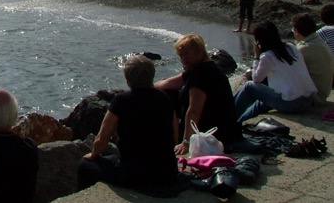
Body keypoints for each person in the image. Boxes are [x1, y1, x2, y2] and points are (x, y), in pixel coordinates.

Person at [77, 56, 178, 191]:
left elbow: (103, 137)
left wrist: (94, 154)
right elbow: (174, 133)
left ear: (128, 80)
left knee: (84, 165)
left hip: (134, 173)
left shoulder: (121, 100)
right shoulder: (165, 98)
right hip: (166, 170)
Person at [155, 34, 241, 153]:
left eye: (187, 54)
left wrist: (186, 142)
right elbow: (167, 84)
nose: (183, 58)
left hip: (213, 131)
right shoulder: (200, 68)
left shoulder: (202, 74)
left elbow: (194, 111)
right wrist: (144, 88)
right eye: (181, 55)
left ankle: (173, 142)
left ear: (199, 51)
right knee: (166, 94)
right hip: (218, 125)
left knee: (167, 100)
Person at [233, 21, 317, 122]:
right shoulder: (291, 47)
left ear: (259, 40)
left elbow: (256, 79)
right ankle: (239, 121)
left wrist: (256, 56)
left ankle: (228, 116)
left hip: (292, 104)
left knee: (249, 87)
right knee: (262, 102)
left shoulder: (268, 56)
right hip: (307, 100)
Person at [292, 13, 334, 105]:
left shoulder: (304, 49)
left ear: (296, 31)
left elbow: (289, 72)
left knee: (255, 87)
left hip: (313, 98)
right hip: (323, 93)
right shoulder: (319, 41)